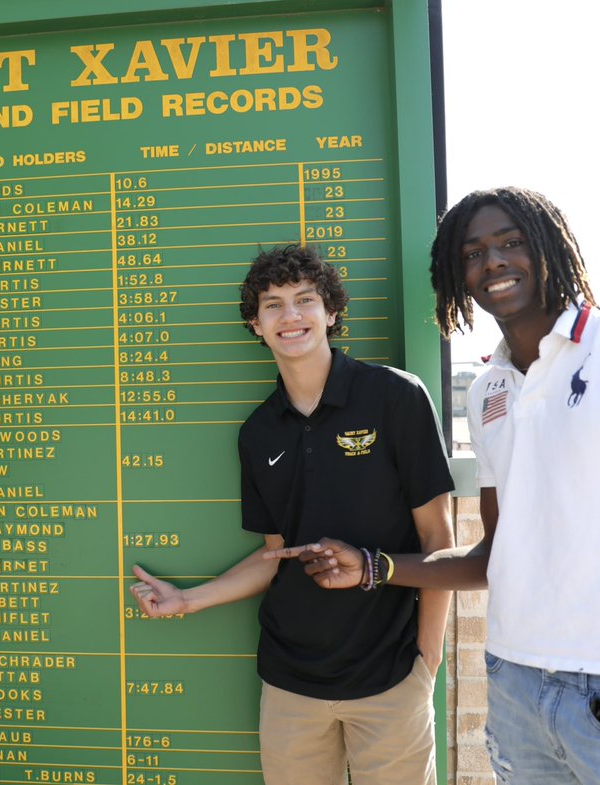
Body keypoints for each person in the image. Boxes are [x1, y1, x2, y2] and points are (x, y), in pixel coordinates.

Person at [270, 187, 600, 784]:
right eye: (472, 252)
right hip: (516, 678)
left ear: (549, 247)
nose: (492, 261)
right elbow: (491, 557)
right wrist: (372, 566)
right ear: (454, 273)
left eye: (510, 242)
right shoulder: (487, 391)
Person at [129, 244, 455, 785]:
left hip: (391, 676)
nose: (291, 315)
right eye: (273, 304)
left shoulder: (395, 396)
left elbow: (437, 537)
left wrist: (427, 659)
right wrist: (188, 599)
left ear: (331, 313)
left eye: (305, 300)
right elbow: (274, 554)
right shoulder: (258, 432)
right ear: (256, 325)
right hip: (289, 684)